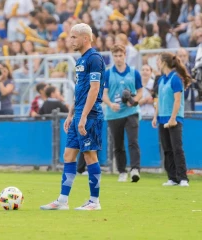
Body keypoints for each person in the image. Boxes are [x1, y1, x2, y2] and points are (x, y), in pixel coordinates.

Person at [40, 23, 105, 210]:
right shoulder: (80, 60)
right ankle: (62, 200)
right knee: (68, 155)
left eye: (74, 37)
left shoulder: (95, 58)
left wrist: (83, 116)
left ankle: (94, 201)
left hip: (90, 115)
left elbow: (94, 90)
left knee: (90, 156)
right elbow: (80, 91)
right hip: (78, 114)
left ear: (85, 38)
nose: (70, 40)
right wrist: (71, 114)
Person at [103, 44, 142, 182]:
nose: (118, 58)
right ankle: (122, 171)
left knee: (133, 141)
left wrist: (134, 100)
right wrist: (110, 104)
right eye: (115, 56)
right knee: (118, 144)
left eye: (120, 55)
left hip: (131, 112)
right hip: (114, 113)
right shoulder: (107, 73)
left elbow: (140, 91)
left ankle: (135, 169)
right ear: (112, 57)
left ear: (125, 55)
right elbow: (104, 94)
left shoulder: (134, 72)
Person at [152, 52, 191, 187]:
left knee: (177, 148)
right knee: (167, 149)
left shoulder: (175, 78)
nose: (157, 63)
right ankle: (172, 178)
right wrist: (155, 116)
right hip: (162, 118)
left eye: (158, 60)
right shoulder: (161, 79)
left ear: (163, 62)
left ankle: (183, 178)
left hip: (174, 118)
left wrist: (173, 118)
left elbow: (177, 100)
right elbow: (159, 99)